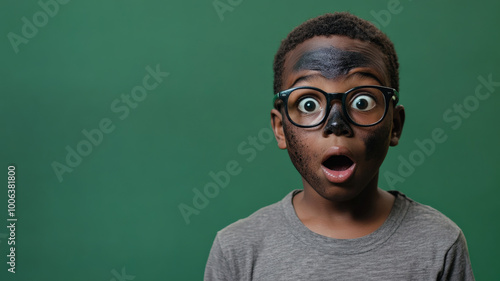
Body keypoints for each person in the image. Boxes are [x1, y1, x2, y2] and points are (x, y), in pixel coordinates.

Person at [204, 12, 474, 280]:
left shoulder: (440, 243)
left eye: (362, 102)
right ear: (280, 128)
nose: (336, 124)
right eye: (308, 104)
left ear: (395, 125)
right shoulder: (236, 250)